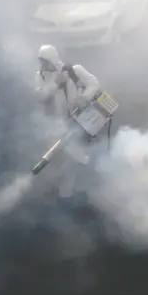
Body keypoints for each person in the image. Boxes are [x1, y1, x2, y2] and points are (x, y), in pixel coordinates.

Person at [34, 44, 100, 197]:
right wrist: (55, 83)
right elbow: (41, 97)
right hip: (57, 124)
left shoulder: (74, 70)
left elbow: (94, 83)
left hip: (80, 120)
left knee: (80, 154)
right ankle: (66, 193)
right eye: (41, 61)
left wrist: (85, 97)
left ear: (52, 59)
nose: (43, 65)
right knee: (63, 158)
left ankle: (85, 188)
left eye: (45, 61)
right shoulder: (41, 76)